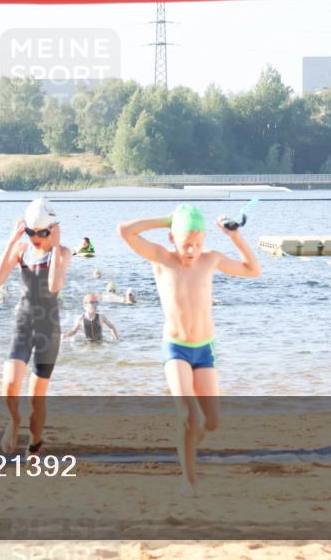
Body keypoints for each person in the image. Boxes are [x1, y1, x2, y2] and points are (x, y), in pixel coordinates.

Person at [117, 204, 261, 492]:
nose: (192, 251)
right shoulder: (161, 258)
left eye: (197, 244)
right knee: (189, 416)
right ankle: (189, 480)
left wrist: (235, 237)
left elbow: (253, 270)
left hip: (205, 349)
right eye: (186, 244)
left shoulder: (211, 259)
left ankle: (185, 442)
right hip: (176, 349)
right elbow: (124, 230)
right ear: (173, 238)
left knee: (212, 423)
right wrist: (166, 219)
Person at [0, 198, 71, 456]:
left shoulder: (63, 252)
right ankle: (14, 421)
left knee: (36, 399)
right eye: (31, 232)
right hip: (23, 324)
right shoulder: (21, 250)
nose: (36, 237)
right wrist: (12, 241)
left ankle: (35, 443)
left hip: (48, 331)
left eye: (42, 232)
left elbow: (54, 286)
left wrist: (56, 246)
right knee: (9, 385)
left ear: (53, 229)